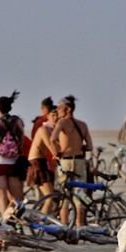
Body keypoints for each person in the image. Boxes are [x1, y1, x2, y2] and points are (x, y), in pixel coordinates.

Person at [50, 95, 93, 227]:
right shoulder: (82, 124)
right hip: (80, 161)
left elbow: (52, 139)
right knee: (80, 193)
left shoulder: (61, 123)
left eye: (60, 108)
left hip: (66, 161)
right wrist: (78, 146)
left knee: (65, 194)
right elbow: (90, 146)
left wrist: (57, 152)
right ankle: (79, 224)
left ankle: (64, 224)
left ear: (67, 109)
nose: (58, 110)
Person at [0, 91, 26, 216]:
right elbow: (22, 141)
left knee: (1, 195)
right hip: (14, 163)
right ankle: (16, 220)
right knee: (16, 197)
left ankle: (5, 221)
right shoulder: (18, 121)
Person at [27, 105, 58, 214]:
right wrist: (57, 154)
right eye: (53, 115)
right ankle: (42, 222)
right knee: (49, 196)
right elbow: (50, 144)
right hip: (36, 162)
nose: (56, 117)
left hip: (43, 162)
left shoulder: (53, 129)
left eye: (57, 115)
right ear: (48, 116)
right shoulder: (43, 129)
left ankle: (47, 217)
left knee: (52, 195)